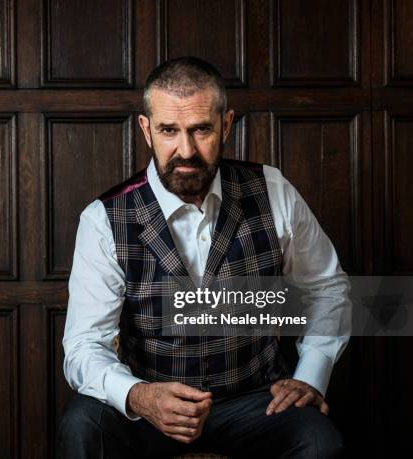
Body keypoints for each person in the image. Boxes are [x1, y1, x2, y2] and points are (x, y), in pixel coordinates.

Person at [58, 56, 350, 458]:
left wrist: (311, 376)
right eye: (168, 130)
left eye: (201, 130)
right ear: (146, 129)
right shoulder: (103, 219)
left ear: (226, 124)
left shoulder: (273, 191)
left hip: (255, 401)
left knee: (319, 441)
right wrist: (139, 395)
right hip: (152, 403)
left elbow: (326, 288)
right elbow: (84, 343)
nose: (186, 150)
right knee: (82, 426)